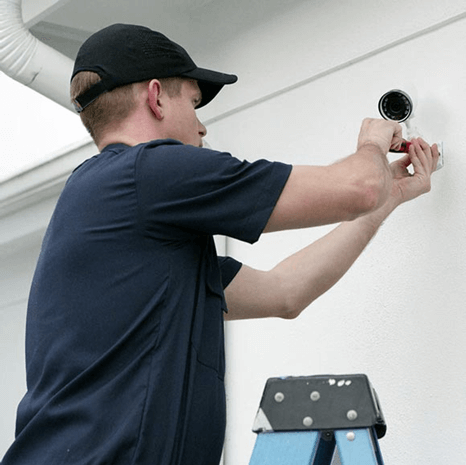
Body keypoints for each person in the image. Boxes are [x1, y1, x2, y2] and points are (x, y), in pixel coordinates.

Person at [1, 23, 439, 465]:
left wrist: (389, 199)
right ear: (155, 97)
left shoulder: (124, 217)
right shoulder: (148, 173)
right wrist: (372, 145)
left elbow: (285, 291)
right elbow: (357, 187)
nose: (202, 126)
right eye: (192, 102)